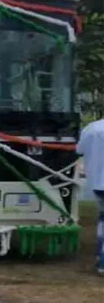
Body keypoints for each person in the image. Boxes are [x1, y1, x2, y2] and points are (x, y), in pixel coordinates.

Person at [76, 116, 104, 276]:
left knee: (101, 220)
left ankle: (100, 256)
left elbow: (79, 150)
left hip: (97, 183)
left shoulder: (91, 128)